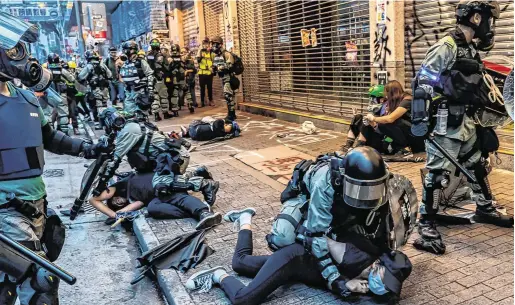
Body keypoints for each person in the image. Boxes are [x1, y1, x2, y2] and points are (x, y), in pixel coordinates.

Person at [186, 148, 413, 304]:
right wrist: (338, 282)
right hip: (295, 257)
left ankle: (244, 220)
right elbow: (318, 241)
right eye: (380, 282)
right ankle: (217, 275)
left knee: (240, 263)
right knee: (243, 298)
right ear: (377, 268)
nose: (374, 288)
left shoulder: (370, 261)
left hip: (303, 266)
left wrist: (350, 284)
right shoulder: (354, 255)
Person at [0, 12, 111, 304]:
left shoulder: (24, 97)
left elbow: (50, 139)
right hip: (4, 211)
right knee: (41, 281)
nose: (22, 57)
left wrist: (89, 148)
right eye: (14, 49)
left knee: (8, 286)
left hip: (35, 204)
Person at [412, 0, 513, 255]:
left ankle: (485, 208)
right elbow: (424, 81)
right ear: (477, 19)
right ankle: (426, 222)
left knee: (476, 165)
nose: (491, 26)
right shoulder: (446, 46)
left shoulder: (470, 49)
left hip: (467, 121)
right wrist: (420, 120)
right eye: (489, 20)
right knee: (437, 174)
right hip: (446, 122)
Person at [94, 108, 219, 209]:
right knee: (156, 180)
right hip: (166, 159)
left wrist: (101, 185)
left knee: (161, 186)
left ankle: (204, 184)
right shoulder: (129, 125)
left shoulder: (128, 131)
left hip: (175, 158)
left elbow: (115, 160)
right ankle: (197, 172)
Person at [90, 171, 222, 230]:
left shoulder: (121, 184)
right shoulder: (136, 201)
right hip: (158, 195)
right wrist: (117, 214)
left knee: (176, 196)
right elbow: (132, 207)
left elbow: (93, 199)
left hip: (160, 182)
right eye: (116, 204)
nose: (118, 201)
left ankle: (204, 212)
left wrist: (112, 214)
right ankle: (192, 211)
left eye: (115, 199)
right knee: (153, 209)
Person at [365, 80, 425, 155]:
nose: (385, 95)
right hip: (407, 131)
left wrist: (374, 118)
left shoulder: (407, 100)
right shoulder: (394, 101)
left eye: (387, 93)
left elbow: (390, 118)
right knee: (381, 121)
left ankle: (406, 147)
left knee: (389, 122)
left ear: (392, 92)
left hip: (415, 134)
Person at [341, 84, 385, 151]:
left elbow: (384, 131)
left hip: (381, 141)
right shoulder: (377, 109)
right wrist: (356, 116)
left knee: (366, 121)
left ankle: (359, 147)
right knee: (357, 117)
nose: (371, 100)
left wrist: (373, 124)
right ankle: (348, 145)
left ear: (382, 99)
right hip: (373, 137)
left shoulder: (386, 109)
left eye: (373, 97)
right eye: (370, 97)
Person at [77, 50, 112, 129]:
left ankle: (99, 123)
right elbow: (110, 75)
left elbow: (80, 77)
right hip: (105, 89)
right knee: (104, 105)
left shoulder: (89, 66)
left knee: (95, 106)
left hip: (94, 90)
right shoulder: (102, 65)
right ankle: (107, 122)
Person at [119, 41, 154, 116]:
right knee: (129, 114)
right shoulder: (125, 63)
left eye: (126, 49)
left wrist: (150, 90)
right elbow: (122, 77)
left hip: (140, 92)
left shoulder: (141, 61)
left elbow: (150, 74)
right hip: (129, 92)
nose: (125, 52)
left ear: (132, 50)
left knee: (141, 114)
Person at [47, 53, 79, 134]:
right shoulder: (62, 70)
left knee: (50, 115)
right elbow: (72, 79)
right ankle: (65, 133)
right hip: (62, 95)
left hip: (49, 96)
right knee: (63, 115)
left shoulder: (46, 71)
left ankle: (50, 134)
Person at [147, 38, 174, 121]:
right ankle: (165, 113)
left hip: (151, 78)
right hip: (160, 78)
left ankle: (156, 115)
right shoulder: (160, 55)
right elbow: (166, 66)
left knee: (155, 97)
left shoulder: (148, 55)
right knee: (163, 96)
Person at [211, 36, 237, 121]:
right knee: (228, 96)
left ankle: (231, 114)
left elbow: (230, 65)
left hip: (229, 78)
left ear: (220, 44)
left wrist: (220, 68)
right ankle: (231, 113)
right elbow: (215, 66)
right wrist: (213, 69)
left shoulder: (226, 54)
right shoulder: (215, 56)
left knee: (228, 95)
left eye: (216, 44)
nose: (214, 46)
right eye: (213, 44)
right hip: (223, 78)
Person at [168, 44, 194, 114]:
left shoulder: (170, 59)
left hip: (175, 79)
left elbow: (167, 68)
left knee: (175, 94)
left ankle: (175, 110)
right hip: (182, 78)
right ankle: (191, 105)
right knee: (187, 91)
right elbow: (187, 57)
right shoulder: (182, 58)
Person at [197, 37, 215, 107]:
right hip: (202, 73)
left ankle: (211, 100)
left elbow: (214, 60)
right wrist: (201, 55)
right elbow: (198, 60)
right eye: (204, 43)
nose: (206, 45)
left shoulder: (211, 52)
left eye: (207, 43)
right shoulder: (200, 51)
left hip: (209, 73)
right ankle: (202, 102)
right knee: (202, 88)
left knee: (209, 87)